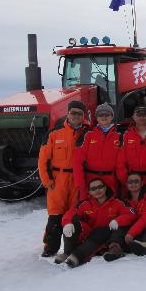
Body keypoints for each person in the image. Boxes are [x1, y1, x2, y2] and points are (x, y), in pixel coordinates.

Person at [38, 100, 88, 257]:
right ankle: (50, 247)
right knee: (55, 215)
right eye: (73, 112)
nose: (76, 116)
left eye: (79, 114)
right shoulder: (54, 133)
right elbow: (43, 160)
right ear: (68, 113)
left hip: (78, 179)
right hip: (58, 180)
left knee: (74, 215)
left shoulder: (88, 133)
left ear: (83, 116)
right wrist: (47, 181)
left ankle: (71, 247)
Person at [57, 177, 133, 268]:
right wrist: (67, 223)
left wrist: (118, 221)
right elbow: (71, 213)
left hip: (109, 236)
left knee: (100, 231)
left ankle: (76, 256)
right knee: (72, 224)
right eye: (93, 189)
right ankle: (67, 252)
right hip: (90, 236)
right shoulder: (85, 204)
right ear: (89, 192)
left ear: (105, 188)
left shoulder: (117, 202)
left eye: (100, 187)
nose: (97, 190)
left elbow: (131, 214)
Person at [73, 103, 123, 200]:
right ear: (96, 117)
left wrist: (123, 182)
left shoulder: (119, 136)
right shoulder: (87, 136)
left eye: (107, 114)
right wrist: (80, 184)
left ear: (112, 116)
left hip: (111, 181)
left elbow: (121, 164)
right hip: (90, 181)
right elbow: (77, 161)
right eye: (101, 115)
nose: (104, 117)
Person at [101, 172, 146, 262]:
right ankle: (115, 248)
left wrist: (131, 233)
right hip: (129, 235)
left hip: (144, 231)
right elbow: (127, 216)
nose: (133, 184)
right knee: (119, 226)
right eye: (130, 182)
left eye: (136, 181)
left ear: (142, 183)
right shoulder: (123, 200)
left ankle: (143, 247)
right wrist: (117, 221)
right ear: (126, 184)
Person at [117, 105, 146, 195]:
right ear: (133, 117)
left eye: (144, 115)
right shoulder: (126, 136)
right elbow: (120, 161)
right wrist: (125, 180)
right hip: (132, 180)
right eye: (139, 114)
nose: (142, 117)